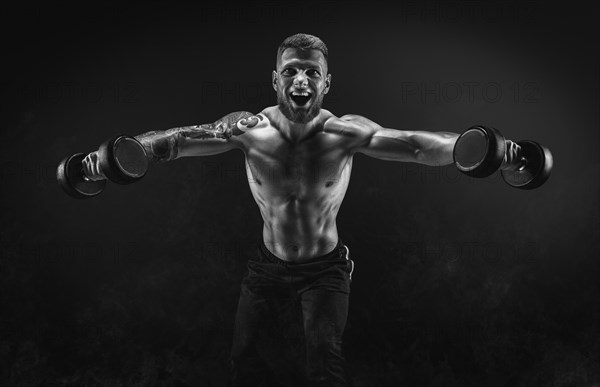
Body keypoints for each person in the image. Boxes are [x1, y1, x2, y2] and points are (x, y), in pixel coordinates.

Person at [82, 33, 516, 387]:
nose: (301, 79)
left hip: (324, 268)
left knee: (325, 368)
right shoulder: (248, 130)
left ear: (326, 83)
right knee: (244, 365)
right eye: (291, 70)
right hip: (267, 267)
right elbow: (173, 142)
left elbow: (419, 146)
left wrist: (484, 150)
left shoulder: (345, 133)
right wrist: (113, 161)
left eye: (312, 72)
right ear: (276, 79)